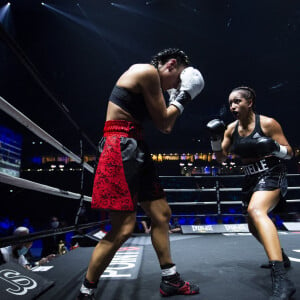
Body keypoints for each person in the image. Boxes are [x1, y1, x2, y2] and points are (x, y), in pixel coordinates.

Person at [77, 48, 204, 299]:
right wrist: (185, 95)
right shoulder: (146, 72)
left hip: (134, 145)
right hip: (120, 145)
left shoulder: (152, 83)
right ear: (170, 64)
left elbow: (163, 120)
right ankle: (86, 291)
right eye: (178, 80)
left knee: (161, 213)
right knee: (123, 228)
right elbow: (166, 124)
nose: (176, 86)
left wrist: (176, 94)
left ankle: (170, 280)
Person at [206, 86, 296, 300]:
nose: (233, 106)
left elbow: (290, 153)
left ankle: (281, 280)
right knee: (252, 226)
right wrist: (215, 137)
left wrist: (274, 147)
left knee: (257, 211)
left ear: (250, 102)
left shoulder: (267, 123)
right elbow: (220, 158)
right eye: (230, 103)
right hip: (249, 178)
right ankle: (281, 256)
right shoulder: (230, 129)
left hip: (272, 173)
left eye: (237, 101)